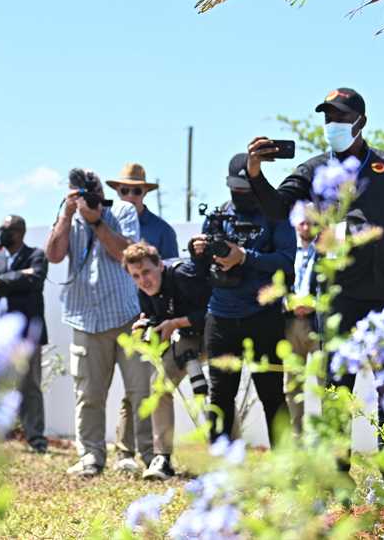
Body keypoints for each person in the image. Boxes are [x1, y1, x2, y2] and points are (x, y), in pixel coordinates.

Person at [246, 88, 384, 439]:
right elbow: (277, 209)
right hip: (339, 297)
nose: (332, 124)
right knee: (337, 389)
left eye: (340, 117)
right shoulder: (313, 170)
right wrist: (256, 174)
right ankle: (339, 475)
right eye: (328, 118)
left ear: (361, 122)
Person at [45, 169, 154, 477]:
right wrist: (67, 216)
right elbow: (53, 255)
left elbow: (128, 254)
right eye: (78, 194)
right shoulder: (68, 216)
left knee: (139, 391)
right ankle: (91, 456)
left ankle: (141, 456)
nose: (85, 200)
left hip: (125, 316)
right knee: (88, 394)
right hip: (84, 317)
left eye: (90, 193)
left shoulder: (122, 211)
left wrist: (96, 221)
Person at [193, 153, 295, 446]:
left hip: (263, 317)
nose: (239, 196)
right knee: (220, 395)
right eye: (235, 189)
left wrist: (245, 257)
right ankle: (221, 466)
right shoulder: (217, 216)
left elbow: (288, 261)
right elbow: (202, 271)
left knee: (272, 394)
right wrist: (197, 250)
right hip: (221, 317)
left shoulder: (276, 216)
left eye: (245, 189)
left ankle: (284, 466)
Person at [106, 162, 179, 461]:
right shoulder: (108, 224)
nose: (130, 195)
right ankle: (125, 450)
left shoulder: (161, 230)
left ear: (144, 193)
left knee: (148, 386)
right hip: (117, 314)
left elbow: (172, 273)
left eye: (136, 190)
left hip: (152, 318)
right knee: (130, 389)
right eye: (124, 190)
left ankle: (152, 453)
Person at [123, 242, 212, 480]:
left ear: (160, 265)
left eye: (147, 272)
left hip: (218, 333)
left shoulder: (183, 275)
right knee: (159, 385)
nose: (143, 280)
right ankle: (162, 458)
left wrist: (175, 323)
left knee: (216, 391)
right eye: (136, 276)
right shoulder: (143, 290)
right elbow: (154, 315)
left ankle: (227, 453)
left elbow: (212, 310)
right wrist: (145, 324)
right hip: (188, 337)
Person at [0, 215, 49, 452]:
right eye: (0, 229)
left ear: (21, 232)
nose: (2, 233)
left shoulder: (36, 256)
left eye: (7, 229)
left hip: (27, 335)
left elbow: (34, 280)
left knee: (30, 387)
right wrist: (18, 278)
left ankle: (36, 439)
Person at [284, 208, 321, 434]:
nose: (306, 228)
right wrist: (287, 303)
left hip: (317, 323)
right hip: (290, 323)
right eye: (302, 223)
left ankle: (329, 444)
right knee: (292, 385)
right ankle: (297, 439)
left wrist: (314, 304)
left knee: (325, 383)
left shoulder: (326, 250)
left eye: (311, 223)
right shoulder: (287, 250)